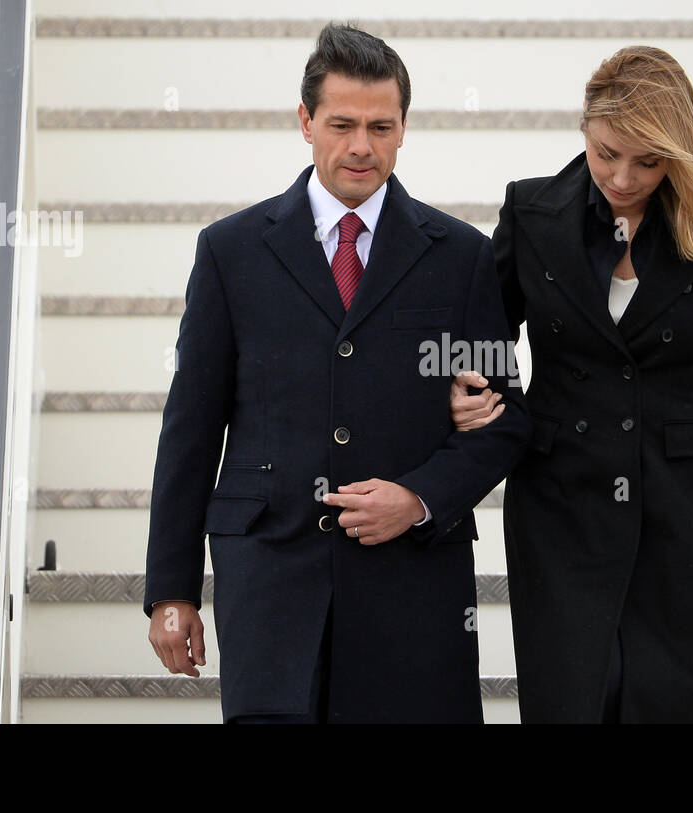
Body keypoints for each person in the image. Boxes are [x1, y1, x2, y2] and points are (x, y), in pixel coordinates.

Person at [144, 22, 531, 723]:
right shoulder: (230, 252)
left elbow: (504, 422)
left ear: (404, 128)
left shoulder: (464, 258)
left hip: (412, 591)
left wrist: (416, 497)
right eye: (342, 124)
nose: (361, 146)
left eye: (381, 126)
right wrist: (172, 588)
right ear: (306, 122)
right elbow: (191, 428)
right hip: (270, 585)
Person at [451, 45, 693, 723]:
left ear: (679, 150)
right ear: (585, 129)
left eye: (648, 160)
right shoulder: (531, 214)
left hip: (688, 520)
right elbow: (480, 335)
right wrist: (475, 393)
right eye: (607, 152)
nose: (622, 176)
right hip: (559, 513)